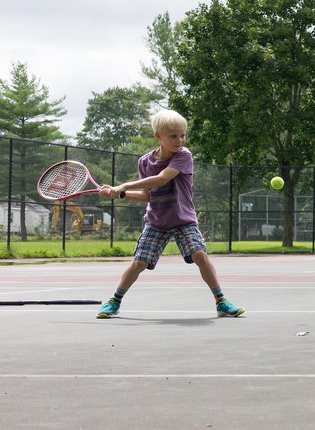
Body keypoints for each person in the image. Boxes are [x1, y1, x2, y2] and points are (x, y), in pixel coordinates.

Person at [95, 109, 244, 319]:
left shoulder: (184, 156)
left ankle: (220, 301)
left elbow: (161, 179)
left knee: (199, 254)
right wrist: (121, 194)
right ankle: (114, 301)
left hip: (184, 220)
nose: (179, 140)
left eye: (182, 135)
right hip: (156, 221)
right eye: (173, 136)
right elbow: (148, 195)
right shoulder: (144, 162)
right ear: (159, 136)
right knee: (139, 263)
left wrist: (123, 185)